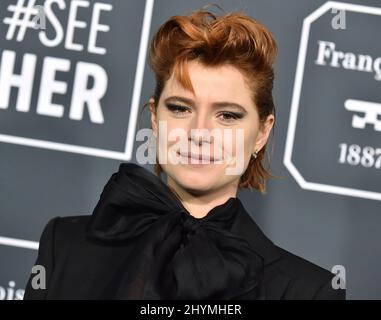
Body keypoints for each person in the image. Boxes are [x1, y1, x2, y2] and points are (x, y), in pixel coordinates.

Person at [23, 6, 345, 300]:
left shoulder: (307, 292)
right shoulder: (65, 245)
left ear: (262, 132)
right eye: (180, 108)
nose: (199, 132)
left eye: (227, 115)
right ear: (154, 117)